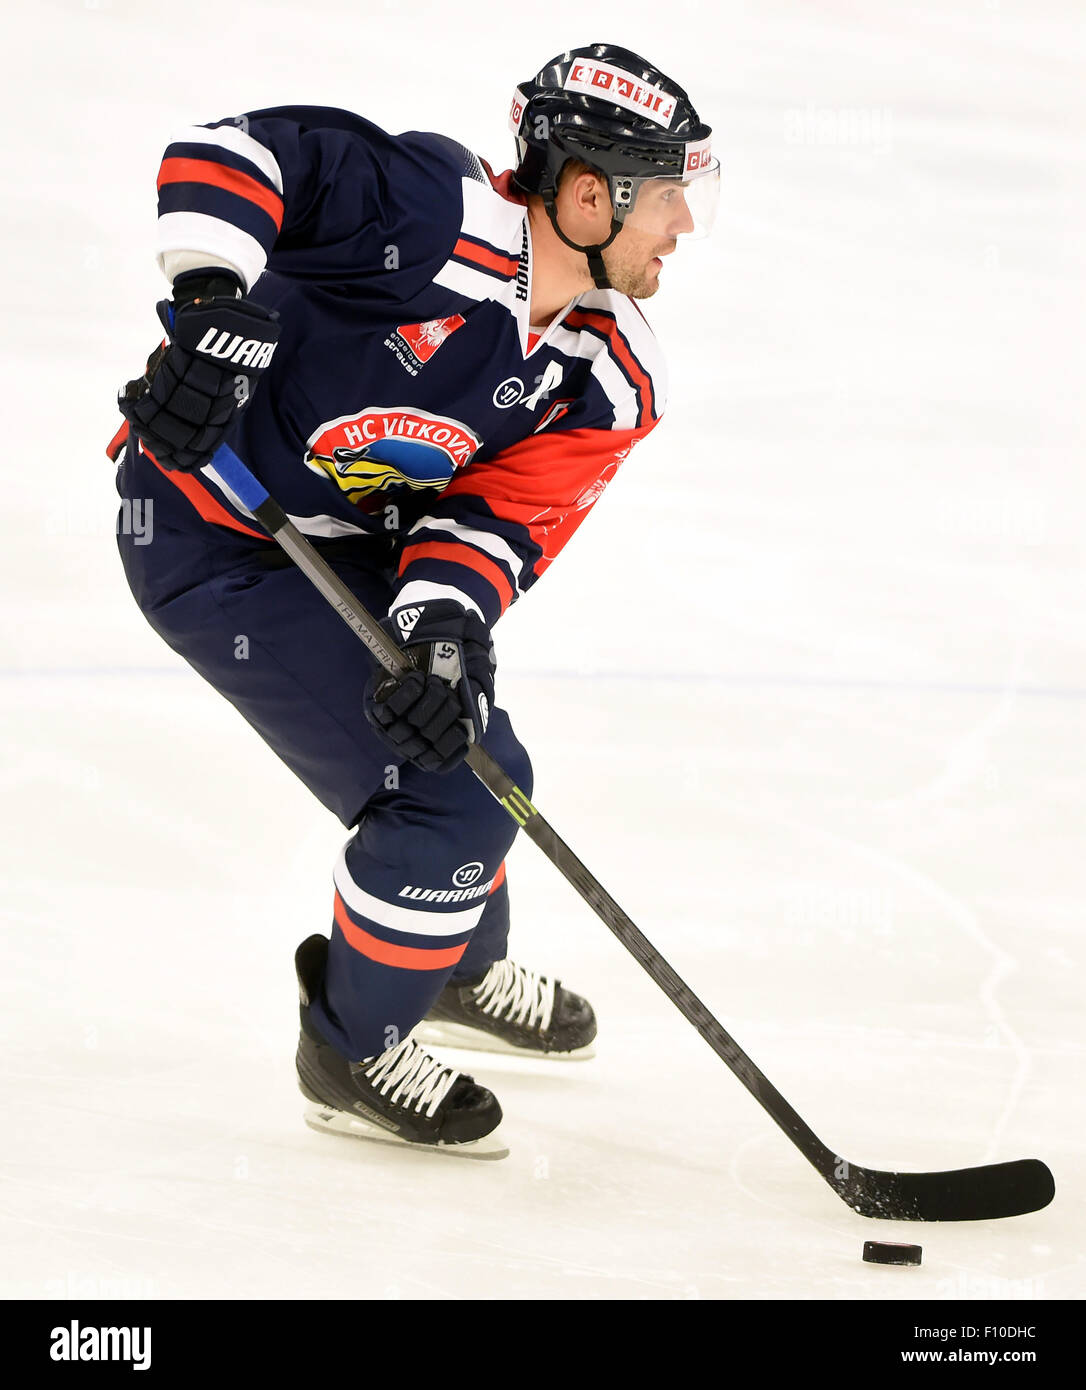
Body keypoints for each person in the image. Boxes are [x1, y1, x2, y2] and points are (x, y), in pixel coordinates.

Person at [110, 43, 719, 1157]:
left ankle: (445, 961)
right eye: (671, 195)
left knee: (477, 748)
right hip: (214, 535)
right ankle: (353, 1043)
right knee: (448, 800)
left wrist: (439, 627)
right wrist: (205, 310)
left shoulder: (608, 372)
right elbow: (234, 154)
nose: (684, 226)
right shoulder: (428, 217)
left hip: (364, 550)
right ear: (591, 193)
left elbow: (498, 521)